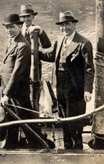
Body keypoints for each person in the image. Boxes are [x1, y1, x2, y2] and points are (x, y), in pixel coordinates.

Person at [39, 11, 94, 149]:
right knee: (62, 114)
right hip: (60, 85)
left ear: (74, 24)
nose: (65, 28)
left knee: (74, 116)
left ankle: (78, 143)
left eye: (68, 24)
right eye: (62, 25)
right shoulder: (59, 40)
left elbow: (89, 69)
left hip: (75, 87)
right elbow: (50, 55)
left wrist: (87, 90)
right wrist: (33, 49)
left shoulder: (84, 43)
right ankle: (67, 143)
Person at [0, 13, 52, 149]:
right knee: (13, 118)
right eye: (7, 27)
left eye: (12, 27)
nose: (9, 30)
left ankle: (40, 145)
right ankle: (11, 144)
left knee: (25, 119)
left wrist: (7, 94)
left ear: (19, 26)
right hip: (8, 87)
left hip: (17, 90)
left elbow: (17, 72)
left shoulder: (23, 46)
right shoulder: (10, 41)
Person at [19, 4, 51, 79]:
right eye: (24, 17)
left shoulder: (37, 30)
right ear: (21, 18)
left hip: (35, 66)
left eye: (28, 16)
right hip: (20, 66)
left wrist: (41, 32)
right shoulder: (17, 30)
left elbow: (47, 47)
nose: (26, 19)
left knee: (36, 87)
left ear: (33, 17)